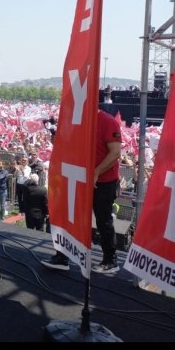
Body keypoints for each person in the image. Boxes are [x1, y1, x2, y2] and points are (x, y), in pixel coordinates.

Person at [41, 108, 122, 273]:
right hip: (78, 178)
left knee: (103, 220)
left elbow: (115, 153)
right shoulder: (74, 119)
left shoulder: (107, 121)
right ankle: (63, 257)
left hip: (103, 182)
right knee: (69, 217)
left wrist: (96, 172)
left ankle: (110, 260)